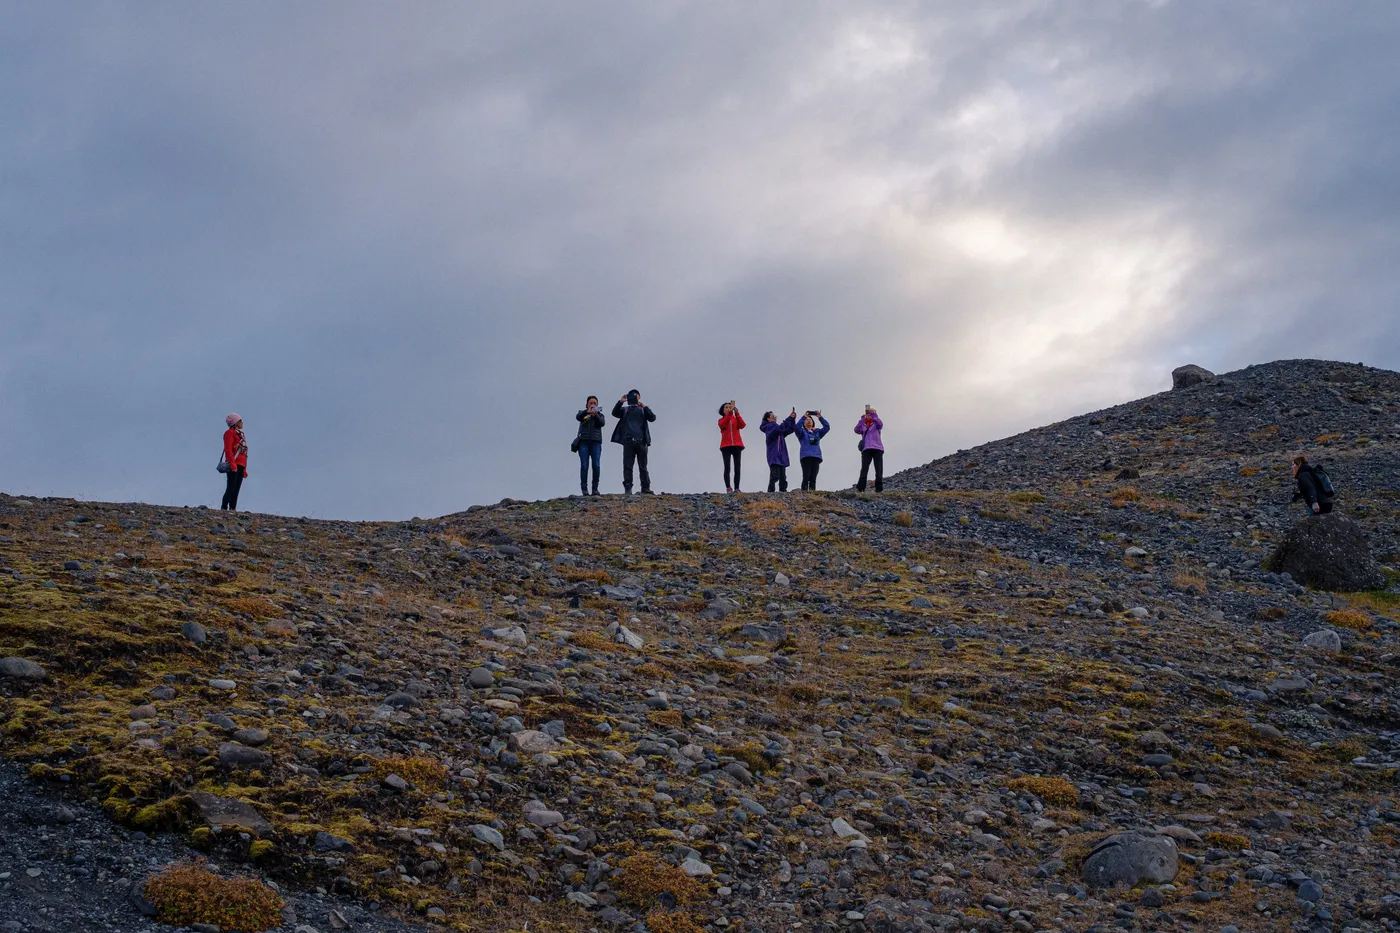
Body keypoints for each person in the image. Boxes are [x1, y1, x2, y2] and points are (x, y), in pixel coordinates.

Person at [611, 389, 656, 494]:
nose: (634, 397)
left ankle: (645, 487)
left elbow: (652, 418)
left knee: (643, 466)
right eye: (631, 395)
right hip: (628, 442)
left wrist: (644, 407)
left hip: (641, 441)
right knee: (627, 466)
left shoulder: (643, 410)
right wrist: (621, 401)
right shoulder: (625, 410)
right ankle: (628, 487)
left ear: (639, 397)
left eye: (636, 395)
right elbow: (614, 413)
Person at [575, 396, 606, 496]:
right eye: (590, 403)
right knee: (584, 466)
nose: (592, 405)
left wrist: (595, 415)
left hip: (596, 442)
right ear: (587, 404)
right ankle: (584, 489)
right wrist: (587, 412)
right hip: (583, 442)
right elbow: (578, 417)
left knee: (596, 466)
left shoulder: (600, 415)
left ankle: (595, 489)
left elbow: (601, 423)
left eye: (594, 403)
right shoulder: (583, 413)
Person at [760, 409, 797, 492]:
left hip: (781, 456)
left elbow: (790, 429)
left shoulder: (778, 429)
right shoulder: (769, 427)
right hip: (774, 455)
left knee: (782, 476)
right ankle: (771, 492)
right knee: (775, 475)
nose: (775, 417)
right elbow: (779, 429)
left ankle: (782, 491)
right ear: (768, 419)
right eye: (773, 416)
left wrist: (792, 419)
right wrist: (789, 418)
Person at [794, 410, 830, 491]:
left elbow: (827, 427)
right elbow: (796, 427)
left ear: (813, 422)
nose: (809, 421)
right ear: (804, 423)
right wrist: (803, 417)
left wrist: (820, 417)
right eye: (807, 420)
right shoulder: (802, 433)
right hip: (806, 456)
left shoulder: (817, 432)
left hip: (816, 457)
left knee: (813, 478)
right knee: (806, 477)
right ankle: (804, 494)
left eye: (810, 420)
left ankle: (812, 495)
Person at [221, 413, 248, 511]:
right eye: (240, 420)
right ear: (235, 422)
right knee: (231, 487)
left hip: (241, 464)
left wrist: (244, 469)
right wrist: (232, 464)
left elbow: (244, 453)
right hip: (233, 464)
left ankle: (233, 508)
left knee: (236, 488)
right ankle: (224, 507)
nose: (242, 423)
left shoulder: (241, 435)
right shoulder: (229, 433)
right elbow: (228, 449)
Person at [855, 405, 885, 493]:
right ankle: (861, 488)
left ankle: (879, 489)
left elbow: (880, 424)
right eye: (867, 413)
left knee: (878, 469)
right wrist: (862, 419)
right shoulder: (863, 425)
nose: (869, 415)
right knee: (864, 468)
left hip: (877, 448)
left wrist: (872, 413)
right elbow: (856, 430)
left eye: (871, 413)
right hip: (866, 449)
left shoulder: (876, 424)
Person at [717, 400, 746, 493]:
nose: (728, 408)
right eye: (726, 407)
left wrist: (737, 413)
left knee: (737, 467)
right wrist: (730, 414)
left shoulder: (735, 419)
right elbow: (723, 424)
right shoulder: (721, 420)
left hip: (737, 445)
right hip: (726, 446)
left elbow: (742, 425)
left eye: (730, 407)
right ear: (723, 410)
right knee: (727, 467)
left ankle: (737, 487)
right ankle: (728, 487)